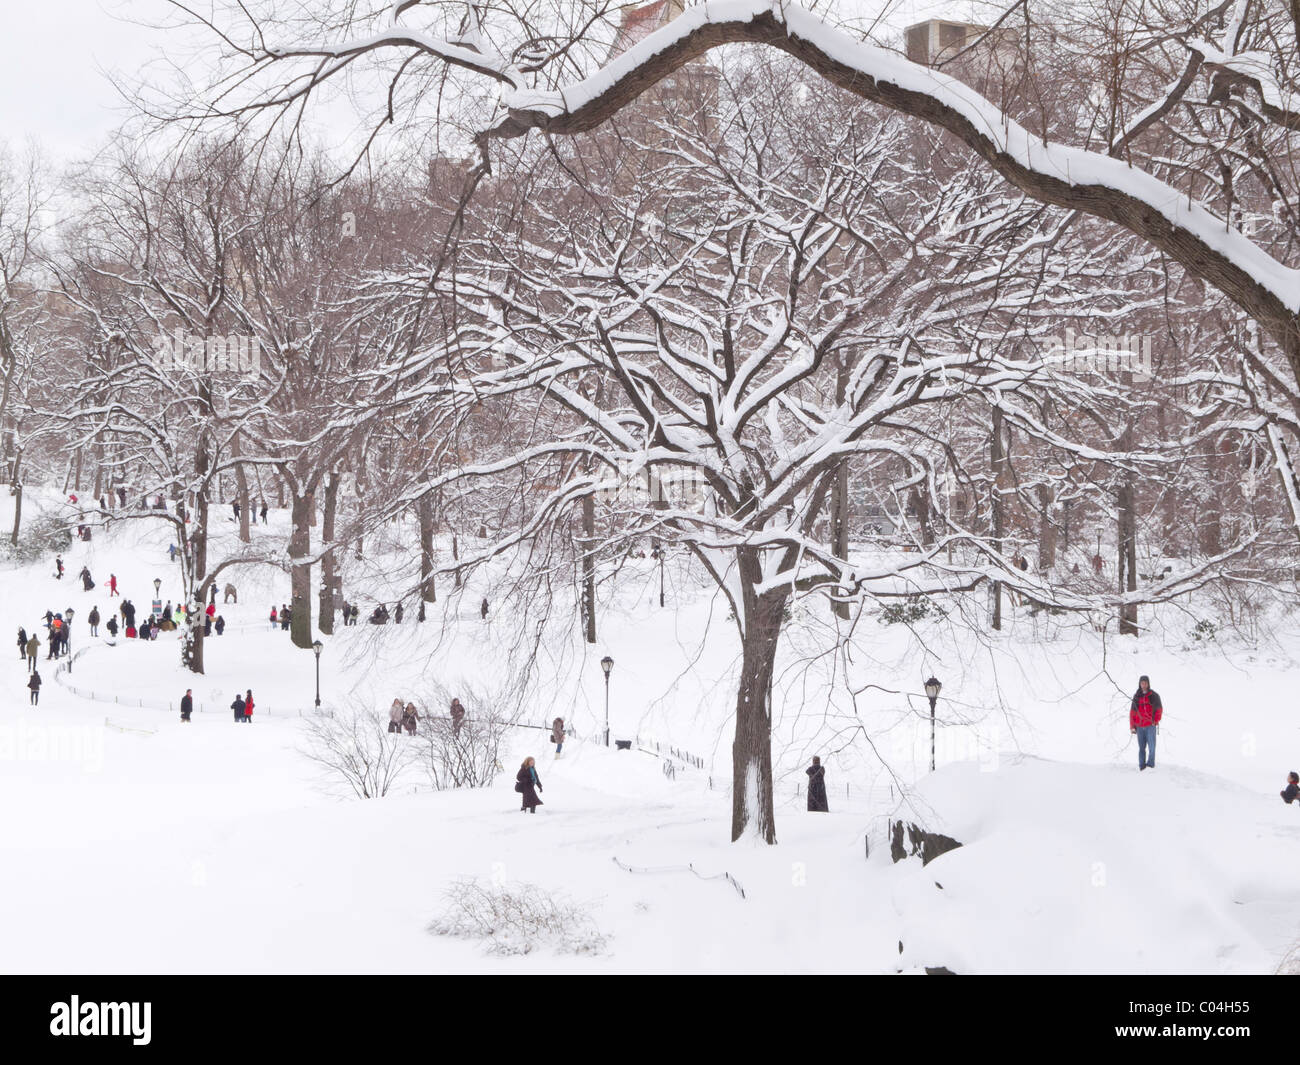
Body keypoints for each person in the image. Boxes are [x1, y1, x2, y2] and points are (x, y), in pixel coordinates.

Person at [1129, 675, 1163, 771]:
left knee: (1152, 748)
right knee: (1141, 748)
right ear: (1140, 684)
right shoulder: (1136, 696)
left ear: (1148, 684)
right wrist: (1132, 726)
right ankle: (1142, 766)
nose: (1143, 685)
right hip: (1139, 727)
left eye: (1145, 683)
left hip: (1150, 726)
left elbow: (1159, 710)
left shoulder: (1154, 695)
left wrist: (1155, 721)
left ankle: (1150, 766)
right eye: (1142, 683)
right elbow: (1132, 713)